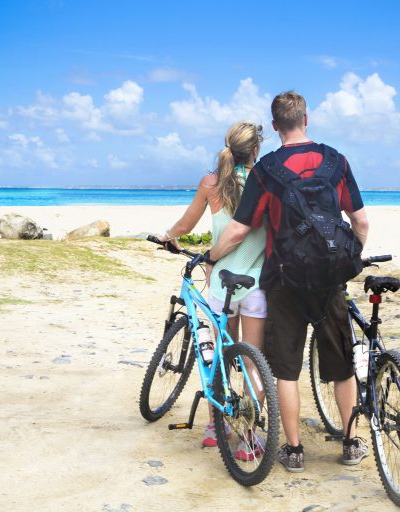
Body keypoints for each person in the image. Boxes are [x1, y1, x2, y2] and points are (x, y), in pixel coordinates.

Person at [208, 91, 370, 472]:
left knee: (285, 370)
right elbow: (360, 221)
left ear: (276, 124)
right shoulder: (336, 161)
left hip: (284, 281)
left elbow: (238, 230)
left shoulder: (266, 170)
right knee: (342, 366)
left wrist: (212, 256)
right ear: (307, 119)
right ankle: (349, 443)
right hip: (329, 281)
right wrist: (349, 259)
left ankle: (294, 451)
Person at [158, 121, 267, 451]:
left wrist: (168, 238)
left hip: (221, 283)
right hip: (257, 285)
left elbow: (187, 223)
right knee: (253, 362)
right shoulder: (265, 181)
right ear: (256, 150)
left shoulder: (211, 183)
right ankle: (248, 440)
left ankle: (213, 426)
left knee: (218, 356)